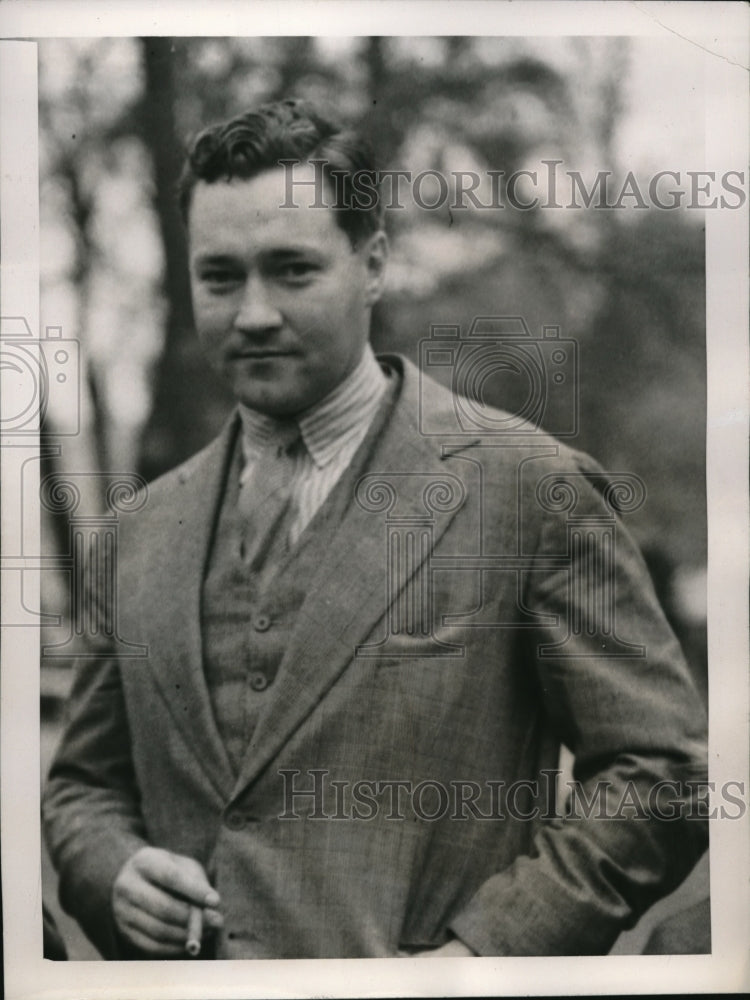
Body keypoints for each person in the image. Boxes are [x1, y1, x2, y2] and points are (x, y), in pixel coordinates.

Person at [43, 98, 708, 960]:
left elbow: (661, 775)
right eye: (219, 276)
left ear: (374, 266)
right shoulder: (136, 531)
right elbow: (84, 786)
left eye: (292, 270)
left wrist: (482, 958)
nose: (251, 313)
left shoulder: (529, 490)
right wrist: (115, 870)